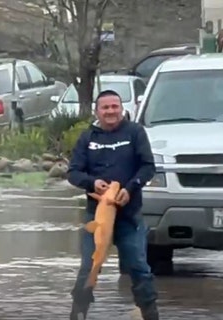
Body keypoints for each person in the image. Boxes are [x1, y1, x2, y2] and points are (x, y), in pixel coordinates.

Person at [67, 89, 159, 320]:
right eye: (105, 107)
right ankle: (78, 314)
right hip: (96, 217)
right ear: (97, 111)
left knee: (139, 267)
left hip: (129, 216)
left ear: (122, 108)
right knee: (88, 268)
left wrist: (130, 189)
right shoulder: (87, 137)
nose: (110, 111)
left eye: (114, 107)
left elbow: (148, 167)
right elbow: (73, 173)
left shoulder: (135, 132)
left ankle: (150, 314)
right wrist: (92, 183)